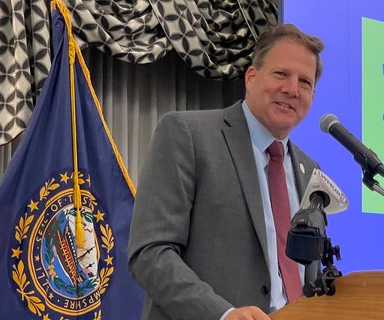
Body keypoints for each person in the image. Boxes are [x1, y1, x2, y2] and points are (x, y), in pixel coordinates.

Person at [128, 23, 325, 320]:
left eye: (305, 82)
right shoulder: (187, 135)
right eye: (281, 74)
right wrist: (223, 314)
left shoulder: (310, 170)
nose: (292, 90)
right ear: (251, 78)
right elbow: (150, 252)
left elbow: (308, 275)